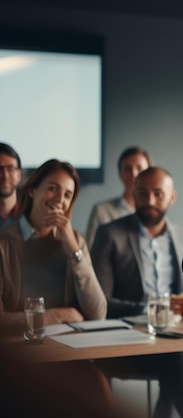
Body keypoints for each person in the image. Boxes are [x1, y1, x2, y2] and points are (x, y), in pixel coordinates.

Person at [92, 166, 183, 418]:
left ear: (172, 197)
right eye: (142, 193)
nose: (150, 201)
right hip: (129, 342)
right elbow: (100, 303)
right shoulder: (110, 234)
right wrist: (153, 310)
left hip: (181, 337)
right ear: (133, 194)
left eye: (158, 193)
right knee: (180, 359)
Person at [0, 159, 114, 409]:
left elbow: (97, 313)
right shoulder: (4, 243)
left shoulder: (75, 242)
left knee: (98, 387)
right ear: (32, 190)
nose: (59, 199)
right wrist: (62, 315)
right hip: (16, 360)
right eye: (52, 188)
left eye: (67, 194)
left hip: (66, 354)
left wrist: (74, 251)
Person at [85, 146, 153, 246]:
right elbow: (91, 249)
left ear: (150, 173)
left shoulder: (153, 211)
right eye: (128, 169)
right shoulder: (102, 210)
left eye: (139, 168)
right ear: (120, 173)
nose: (134, 174)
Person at [0, 142, 22, 227]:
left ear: (19, 174)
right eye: (0, 169)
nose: (5, 175)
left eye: (10, 169)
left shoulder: (31, 217)